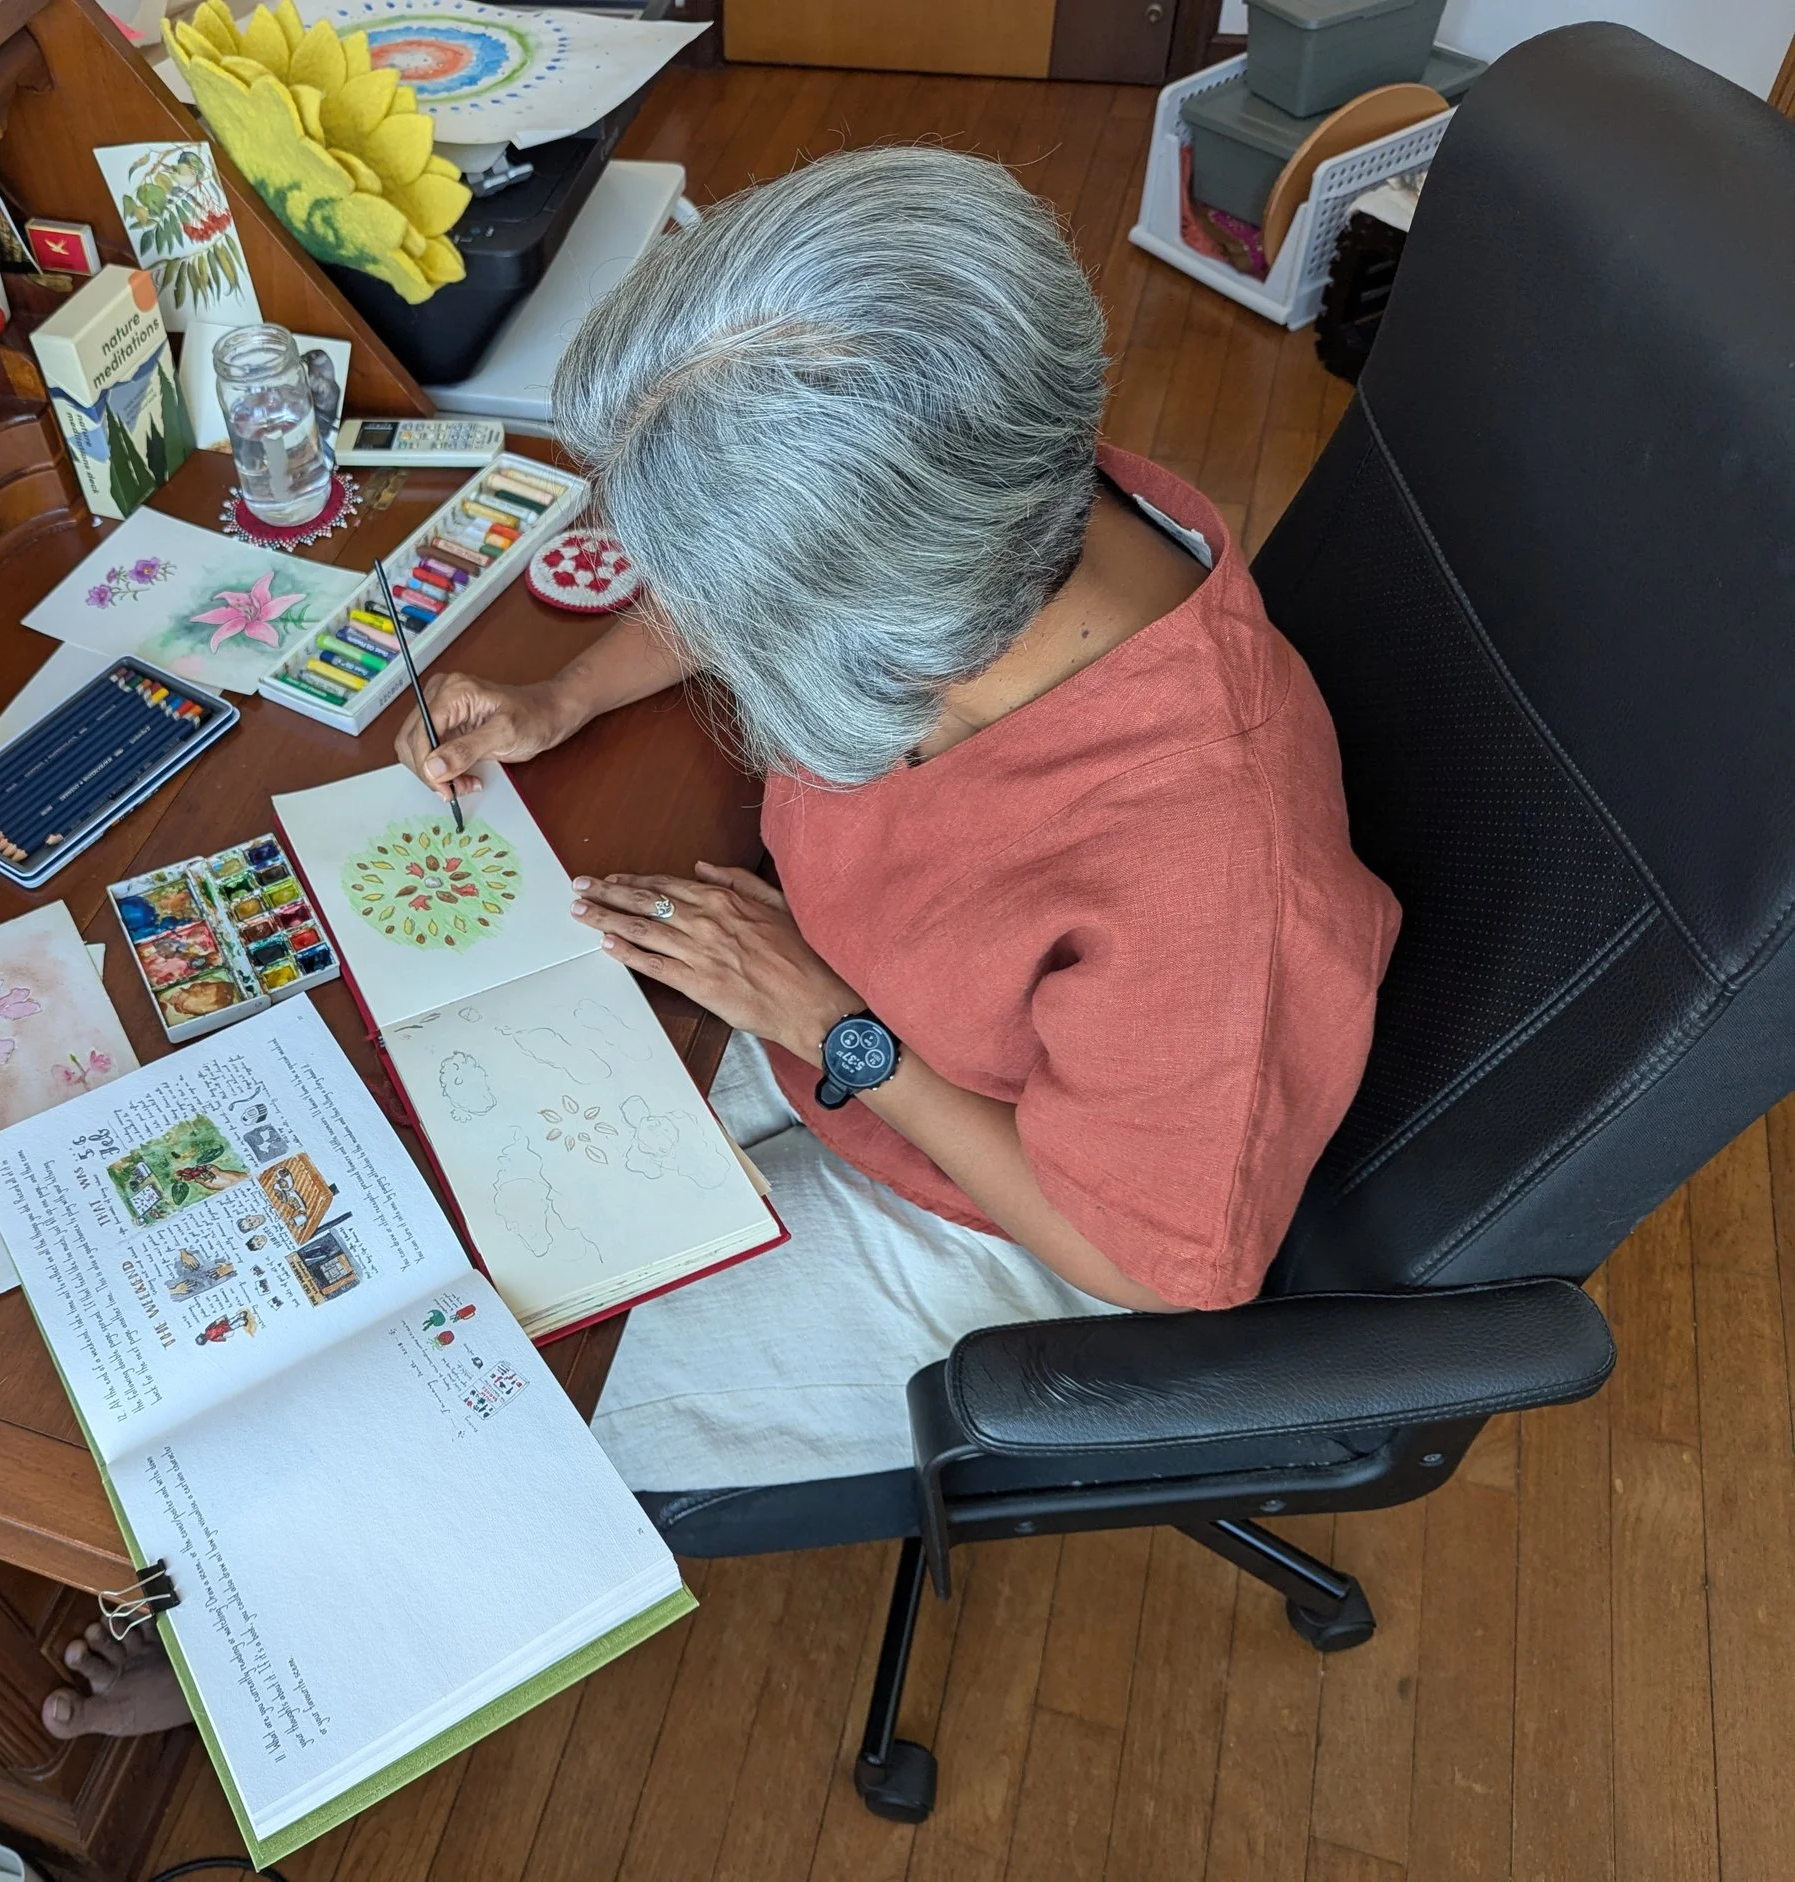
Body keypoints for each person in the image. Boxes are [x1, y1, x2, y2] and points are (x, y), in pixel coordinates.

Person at [396, 147, 1402, 1501]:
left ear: (892, 636)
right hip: (836, 999)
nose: (714, 629)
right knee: (451, 1202)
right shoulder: (1006, 472)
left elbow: (1159, 1264)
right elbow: (785, 551)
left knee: (504, 1415)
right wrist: (560, 694)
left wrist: (834, 1025)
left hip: (1002, 1205)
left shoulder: (1212, 885)